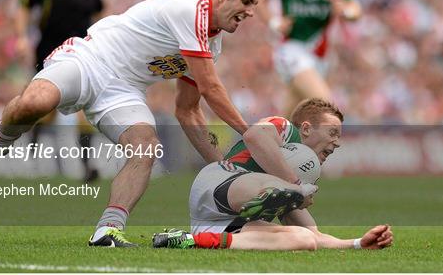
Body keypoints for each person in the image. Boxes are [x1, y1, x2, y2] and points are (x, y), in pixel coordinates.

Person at [0, 0, 268, 247]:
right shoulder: (191, 9)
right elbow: (211, 87)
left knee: (145, 147)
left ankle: (108, 230)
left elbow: (187, 109)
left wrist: (221, 167)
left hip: (124, 92)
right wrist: (247, 131)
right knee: (35, 102)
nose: (251, 12)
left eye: (254, 4)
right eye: (247, 1)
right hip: (91, 59)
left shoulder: (213, 44)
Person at [152, 98, 394, 251]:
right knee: (282, 191)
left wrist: (357, 244)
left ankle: (191, 241)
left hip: (219, 224)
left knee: (304, 239)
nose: (337, 142)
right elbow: (253, 136)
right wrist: (296, 186)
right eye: (332, 132)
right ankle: (272, 197)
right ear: (307, 128)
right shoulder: (285, 129)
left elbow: (315, 236)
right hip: (221, 182)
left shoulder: (294, 181)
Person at [16, 0, 104, 183]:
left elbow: (100, 12)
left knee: (86, 108)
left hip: (82, 53)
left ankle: (88, 167)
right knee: (46, 109)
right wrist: (21, 37)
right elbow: (23, 6)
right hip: (48, 52)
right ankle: (32, 150)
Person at [258, 0, 362, 117]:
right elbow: (259, 0)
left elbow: (355, 10)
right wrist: (274, 22)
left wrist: (345, 11)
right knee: (327, 107)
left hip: (319, 55)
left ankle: (260, 143)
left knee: (288, 119)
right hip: (292, 50)